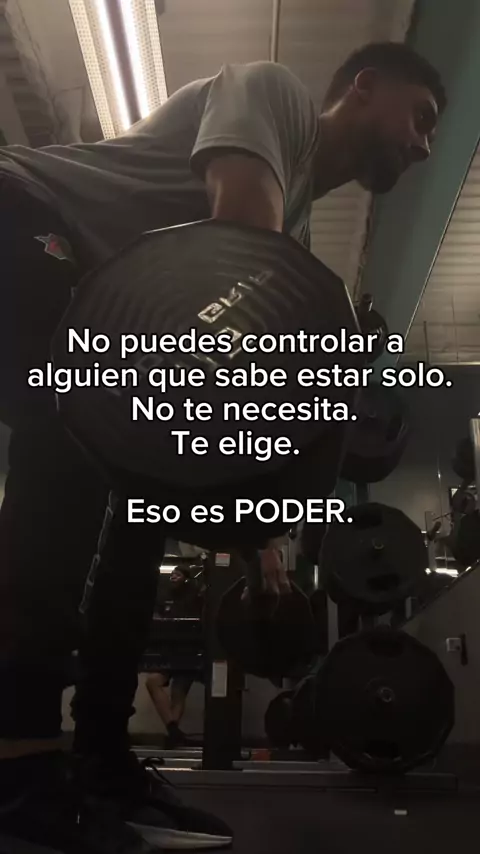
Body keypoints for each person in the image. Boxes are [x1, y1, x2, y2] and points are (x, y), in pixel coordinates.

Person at [0, 40, 445, 853]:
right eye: (420, 117)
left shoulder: (294, 226)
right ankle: (18, 769)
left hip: (99, 306)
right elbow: (235, 254)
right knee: (64, 460)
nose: (423, 145)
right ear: (363, 86)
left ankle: (100, 759)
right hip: (25, 215)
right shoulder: (273, 95)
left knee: (139, 514)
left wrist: (260, 550)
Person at [146, 567, 204, 748]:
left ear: (186, 579)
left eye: (177, 574)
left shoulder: (194, 594)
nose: (173, 577)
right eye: (172, 574)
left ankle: (173, 736)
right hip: (168, 649)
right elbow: (156, 615)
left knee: (178, 693)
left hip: (188, 650)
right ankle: (173, 730)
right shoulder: (164, 595)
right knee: (152, 682)